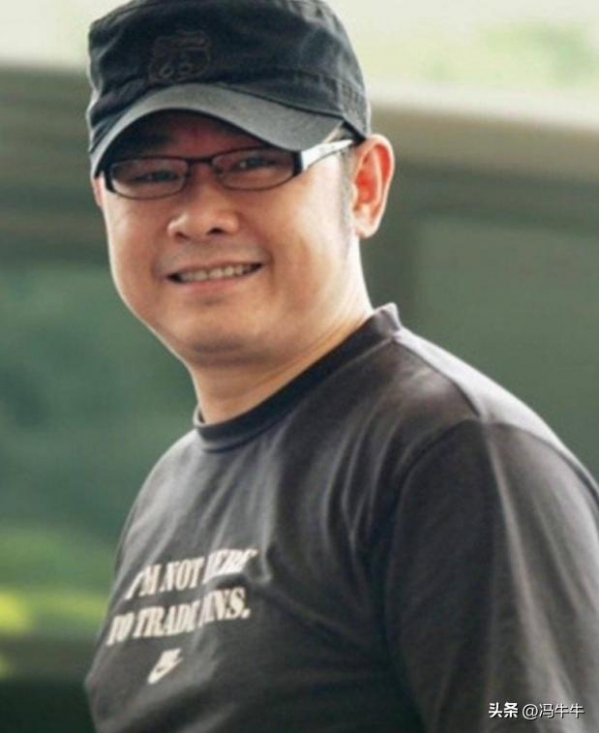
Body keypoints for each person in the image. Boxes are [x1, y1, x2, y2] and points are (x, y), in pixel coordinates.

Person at [83, 1, 598, 731]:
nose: (199, 216)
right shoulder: (169, 491)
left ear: (364, 186)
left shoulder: (451, 454)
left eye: (254, 161)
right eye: (150, 172)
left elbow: (545, 711)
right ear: (104, 201)